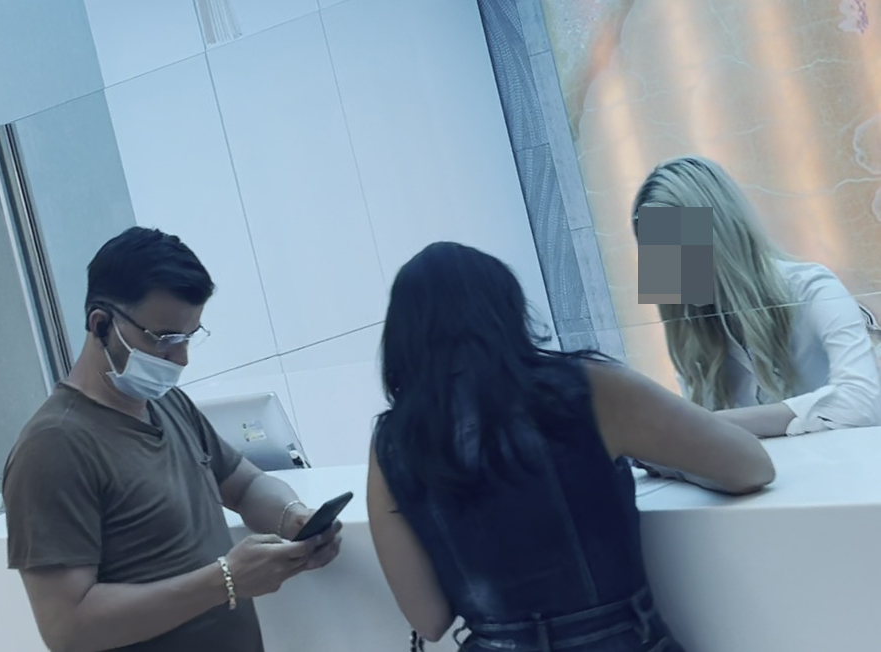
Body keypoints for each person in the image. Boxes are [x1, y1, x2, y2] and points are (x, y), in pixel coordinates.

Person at [366, 242, 774, 651]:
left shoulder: (393, 444)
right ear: (506, 310)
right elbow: (750, 467)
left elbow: (428, 619)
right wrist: (667, 463)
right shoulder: (582, 388)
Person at [2, 227, 342, 652]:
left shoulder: (168, 405)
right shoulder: (54, 447)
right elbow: (67, 628)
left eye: (189, 337)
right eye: (165, 339)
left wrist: (292, 517)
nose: (181, 358)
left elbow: (245, 485)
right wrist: (226, 580)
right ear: (101, 324)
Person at [632, 155, 881, 438]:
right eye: (655, 252)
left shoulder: (812, 289)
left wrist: (712, 424)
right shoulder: (695, 336)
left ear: (720, 236)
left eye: (676, 246)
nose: (669, 268)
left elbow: (862, 404)